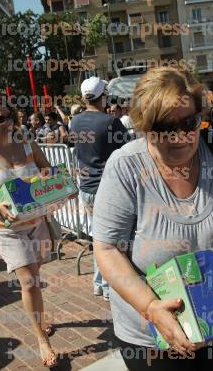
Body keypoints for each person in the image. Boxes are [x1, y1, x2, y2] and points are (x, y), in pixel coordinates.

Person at [91, 67, 213, 369]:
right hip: (152, 337)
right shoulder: (125, 166)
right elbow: (106, 249)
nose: (179, 136)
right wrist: (150, 307)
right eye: (164, 127)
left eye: (188, 123)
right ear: (144, 125)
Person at [0, 102, 58, 367]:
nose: (6, 122)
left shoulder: (28, 144)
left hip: (36, 221)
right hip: (6, 228)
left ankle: (39, 316)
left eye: (9, 116)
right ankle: (43, 340)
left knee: (35, 274)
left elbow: (47, 169)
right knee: (29, 280)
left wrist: (48, 180)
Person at [69, 76, 128, 302]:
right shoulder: (109, 122)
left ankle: (98, 283)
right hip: (107, 187)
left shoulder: (74, 121)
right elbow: (127, 148)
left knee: (99, 237)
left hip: (87, 186)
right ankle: (106, 285)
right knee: (110, 240)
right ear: (103, 95)